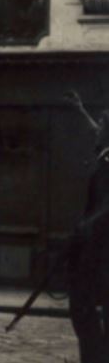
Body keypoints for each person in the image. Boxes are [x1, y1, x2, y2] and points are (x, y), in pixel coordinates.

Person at [65, 90, 109, 363]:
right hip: (100, 245)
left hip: (102, 248)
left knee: (82, 306)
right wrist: (80, 111)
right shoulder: (105, 153)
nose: (97, 128)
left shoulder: (107, 163)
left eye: (102, 126)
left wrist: (84, 225)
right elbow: (98, 130)